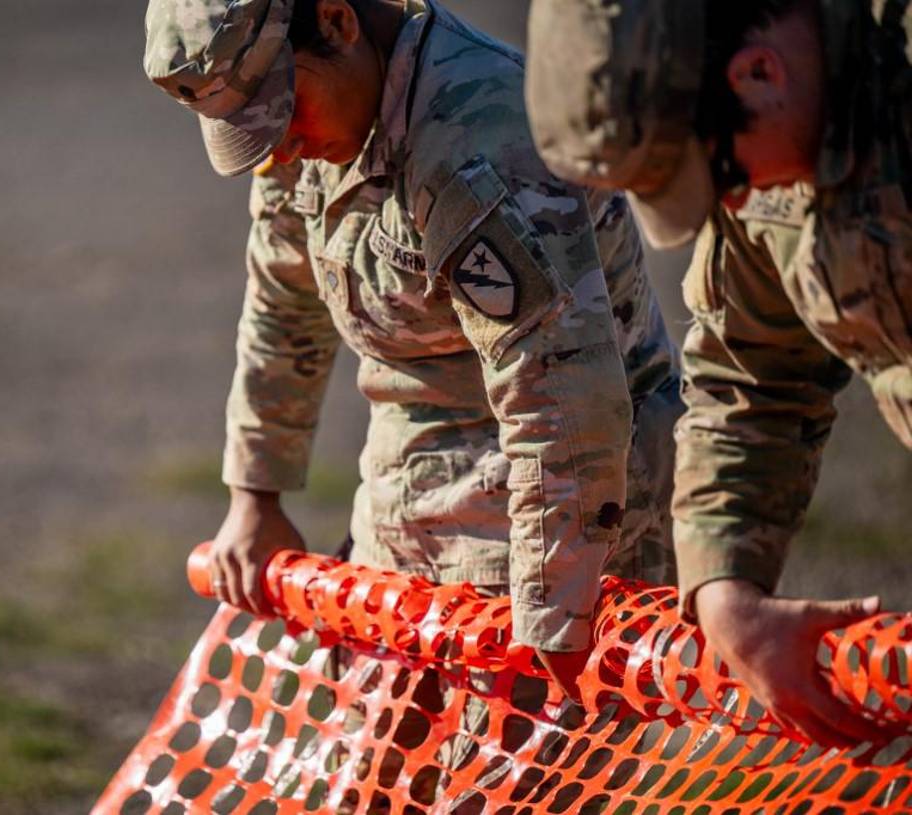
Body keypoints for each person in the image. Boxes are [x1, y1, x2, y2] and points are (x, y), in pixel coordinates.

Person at [142, 0, 682, 703]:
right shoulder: (295, 120)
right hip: (407, 502)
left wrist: (556, 612)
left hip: (557, 516)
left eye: (284, 114)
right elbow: (283, 299)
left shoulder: (477, 138)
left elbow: (560, 389)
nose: (278, 150)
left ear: (337, 21)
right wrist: (257, 492)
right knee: (375, 775)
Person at [525, 0, 910, 747]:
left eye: (721, 171)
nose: (730, 199)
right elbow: (752, 378)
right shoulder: (773, 146)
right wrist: (725, 586)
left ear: (760, 72)